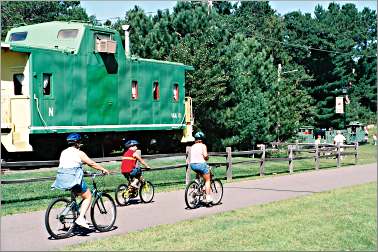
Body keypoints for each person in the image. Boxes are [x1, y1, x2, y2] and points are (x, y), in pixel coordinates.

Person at [51, 133, 110, 229]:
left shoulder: (64, 152)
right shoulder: (79, 153)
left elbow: (69, 165)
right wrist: (103, 169)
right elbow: (91, 163)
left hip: (61, 178)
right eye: (80, 142)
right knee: (88, 196)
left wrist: (83, 171)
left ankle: (75, 214)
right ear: (78, 143)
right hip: (72, 179)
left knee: (76, 194)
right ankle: (81, 218)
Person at [189, 131, 212, 204]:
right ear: (202, 139)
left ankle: (195, 190)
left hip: (193, 165)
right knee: (208, 180)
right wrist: (207, 157)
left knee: (199, 175)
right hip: (201, 164)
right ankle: (208, 198)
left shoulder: (192, 146)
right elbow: (205, 156)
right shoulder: (203, 146)